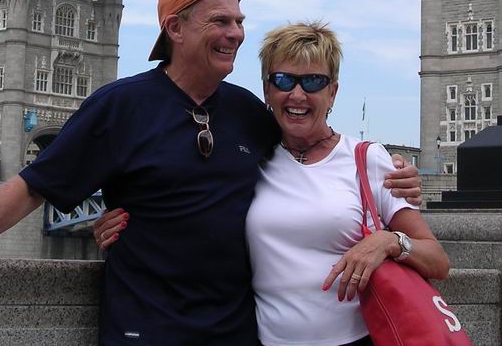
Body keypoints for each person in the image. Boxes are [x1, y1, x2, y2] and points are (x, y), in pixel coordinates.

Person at [0, 0, 421, 345]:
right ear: (174, 29)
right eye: (220, 22)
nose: (235, 34)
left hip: (236, 331)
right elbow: (36, 184)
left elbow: (313, 152)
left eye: (238, 21)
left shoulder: (248, 112)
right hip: (147, 328)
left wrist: (387, 174)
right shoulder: (120, 106)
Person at [97, 21, 446, 346]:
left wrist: (389, 242)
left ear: (333, 92)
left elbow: (437, 260)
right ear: (267, 90)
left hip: (356, 340)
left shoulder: (366, 159)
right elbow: (190, 198)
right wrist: (130, 220)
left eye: (313, 82)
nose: (297, 94)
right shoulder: (251, 157)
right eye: (283, 80)